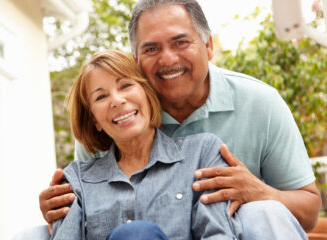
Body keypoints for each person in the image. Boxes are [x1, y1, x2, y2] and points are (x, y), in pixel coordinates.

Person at [39, 0, 321, 234]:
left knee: (263, 211)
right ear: (136, 61)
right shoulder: (121, 117)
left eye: (180, 42)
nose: (167, 59)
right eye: (151, 49)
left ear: (209, 46)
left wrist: (259, 191)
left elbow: (309, 213)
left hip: (239, 230)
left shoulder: (260, 103)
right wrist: (62, 209)